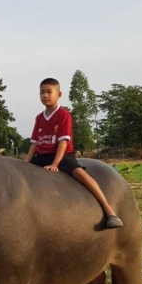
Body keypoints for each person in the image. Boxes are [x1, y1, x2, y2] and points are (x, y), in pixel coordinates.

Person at [23, 78, 123, 228]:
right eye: (42, 92)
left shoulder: (64, 115)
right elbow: (35, 144)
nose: (45, 95)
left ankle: (109, 211)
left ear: (59, 94)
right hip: (41, 156)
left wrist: (55, 164)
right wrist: (24, 164)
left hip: (62, 156)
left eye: (49, 92)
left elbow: (63, 142)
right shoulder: (39, 118)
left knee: (81, 174)